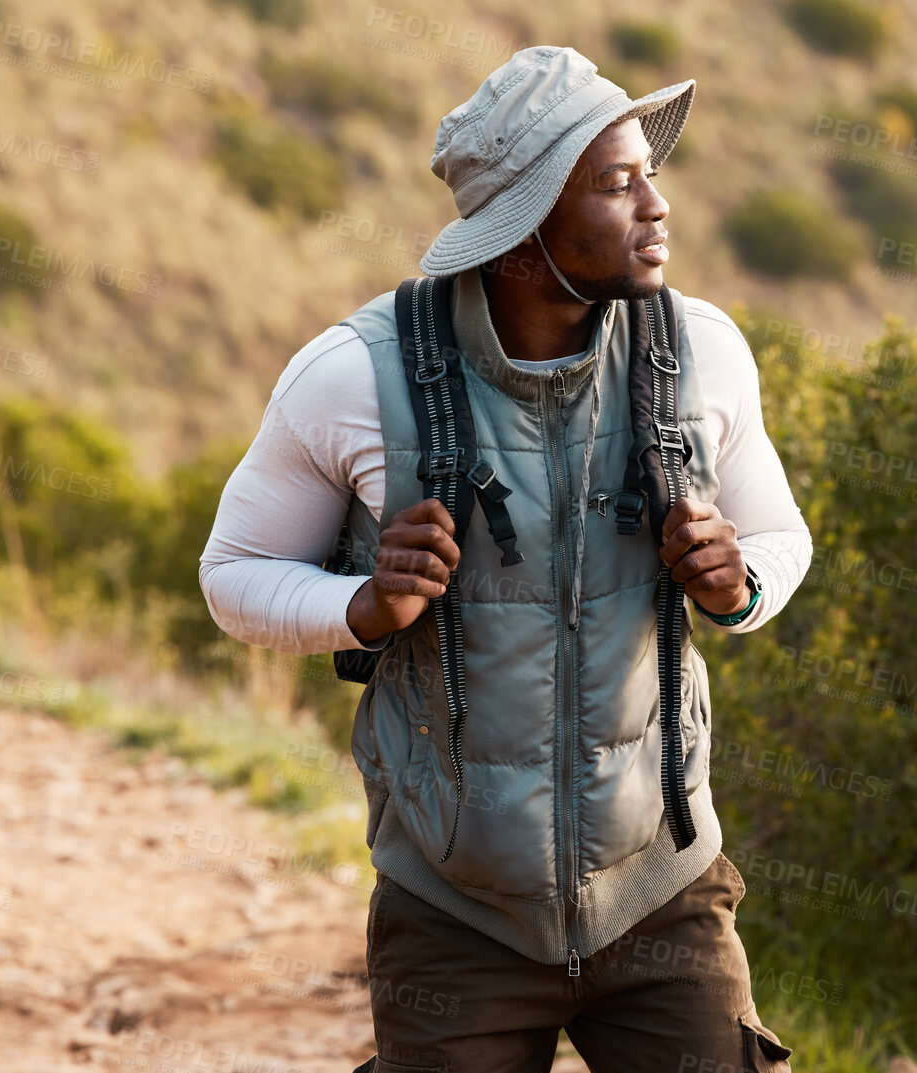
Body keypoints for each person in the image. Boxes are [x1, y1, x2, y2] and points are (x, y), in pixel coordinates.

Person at [198, 45, 809, 1073]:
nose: (658, 206)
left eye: (649, 175)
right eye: (619, 184)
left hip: (663, 890)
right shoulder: (351, 375)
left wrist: (736, 583)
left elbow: (780, 540)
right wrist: (363, 607)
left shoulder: (702, 352)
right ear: (526, 222)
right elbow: (235, 576)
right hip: (452, 910)